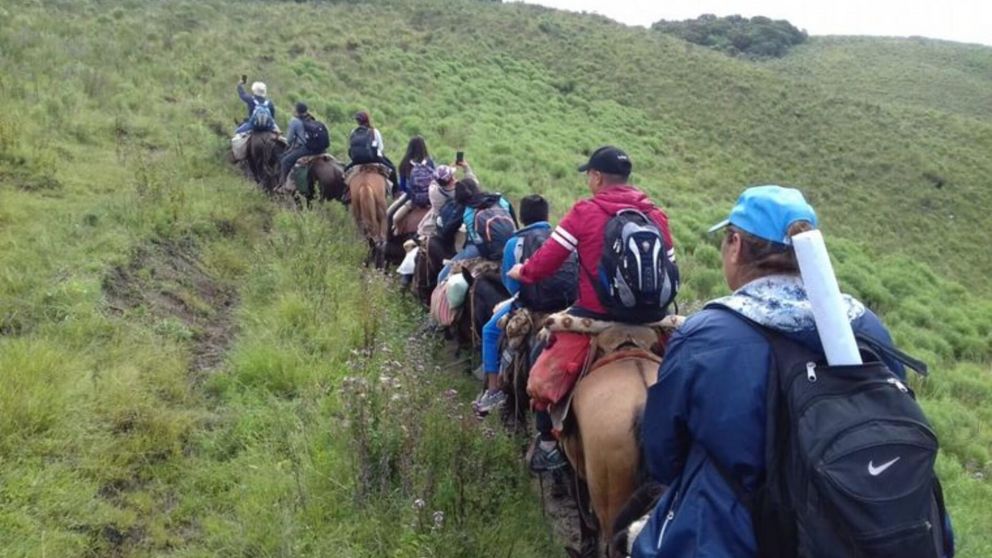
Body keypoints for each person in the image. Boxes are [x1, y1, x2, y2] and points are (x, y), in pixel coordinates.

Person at [631, 186, 954, 557]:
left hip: (732, 535)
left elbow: (663, 450)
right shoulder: (867, 326)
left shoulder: (706, 334)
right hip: (857, 522)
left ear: (735, 244)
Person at [507, 145, 677, 323]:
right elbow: (671, 267)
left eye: (588, 175)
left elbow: (549, 259)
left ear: (597, 177)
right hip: (653, 317)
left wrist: (524, 272)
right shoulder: (656, 215)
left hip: (596, 312)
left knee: (543, 347)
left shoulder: (585, 212)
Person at [436, 178, 517, 284]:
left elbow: (448, 232)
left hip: (479, 250)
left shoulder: (465, 207)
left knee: (442, 277)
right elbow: (515, 224)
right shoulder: (500, 200)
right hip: (513, 245)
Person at [388, 136, 436, 233]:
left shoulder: (404, 163)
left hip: (411, 199)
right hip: (431, 199)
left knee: (389, 215)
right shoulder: (430, 162)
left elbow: (402, 187)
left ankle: (388, 242)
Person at [346, 111, 397, 186]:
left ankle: (344, 194)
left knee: (344, 173)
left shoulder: (353, 132)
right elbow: (380, 147)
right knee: (393, 169)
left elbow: (351, 148)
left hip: (357, 161)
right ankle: (396, 192)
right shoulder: (374, 131)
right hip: (374, 159)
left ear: (358, 121)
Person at [279, 102, 326, 183]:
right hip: (320, 149)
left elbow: (289, 140)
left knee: (285, 161)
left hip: (306, 149)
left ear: (296, 111)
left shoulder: (295, 121)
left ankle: (283, 184)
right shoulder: (312, 118)